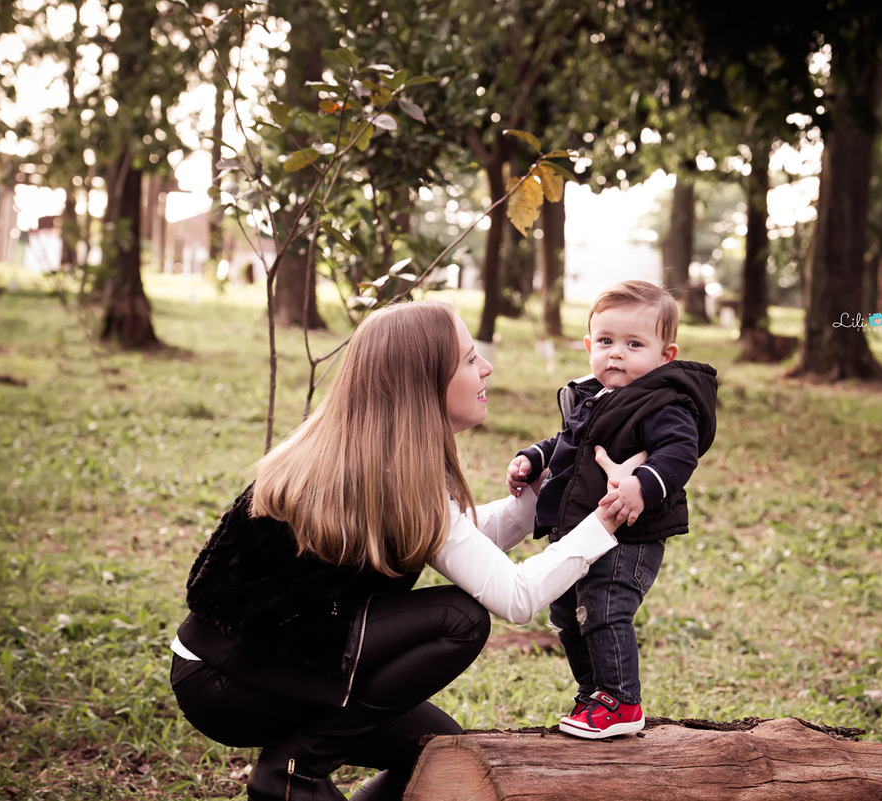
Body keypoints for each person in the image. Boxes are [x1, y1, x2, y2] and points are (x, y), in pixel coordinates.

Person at [170, 301, 643, 801]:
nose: (486, 368)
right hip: (228, 677)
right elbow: (517, 598)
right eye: (468, 360)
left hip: (287, 652)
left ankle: (301, 767)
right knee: (459, 619)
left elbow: (453, 540)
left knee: (439, 753)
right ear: (424, 385)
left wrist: (533, 501)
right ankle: (296, 766)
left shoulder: (377, 454)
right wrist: (602, 522)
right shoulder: (382, 474)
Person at [506, 280, 718, 739]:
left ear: (666, 354)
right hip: (580, 530)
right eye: (605, 342)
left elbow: (680, 452)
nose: (615, 354)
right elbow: (568, 444)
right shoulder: (592, 396)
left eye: (633, 344)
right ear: (588, 346)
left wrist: (644, 483)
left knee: (603, 608)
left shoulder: (664, 401)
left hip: (629, 534)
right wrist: (534, 458)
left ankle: (622, 700)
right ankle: (594, 693)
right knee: (566, 612)